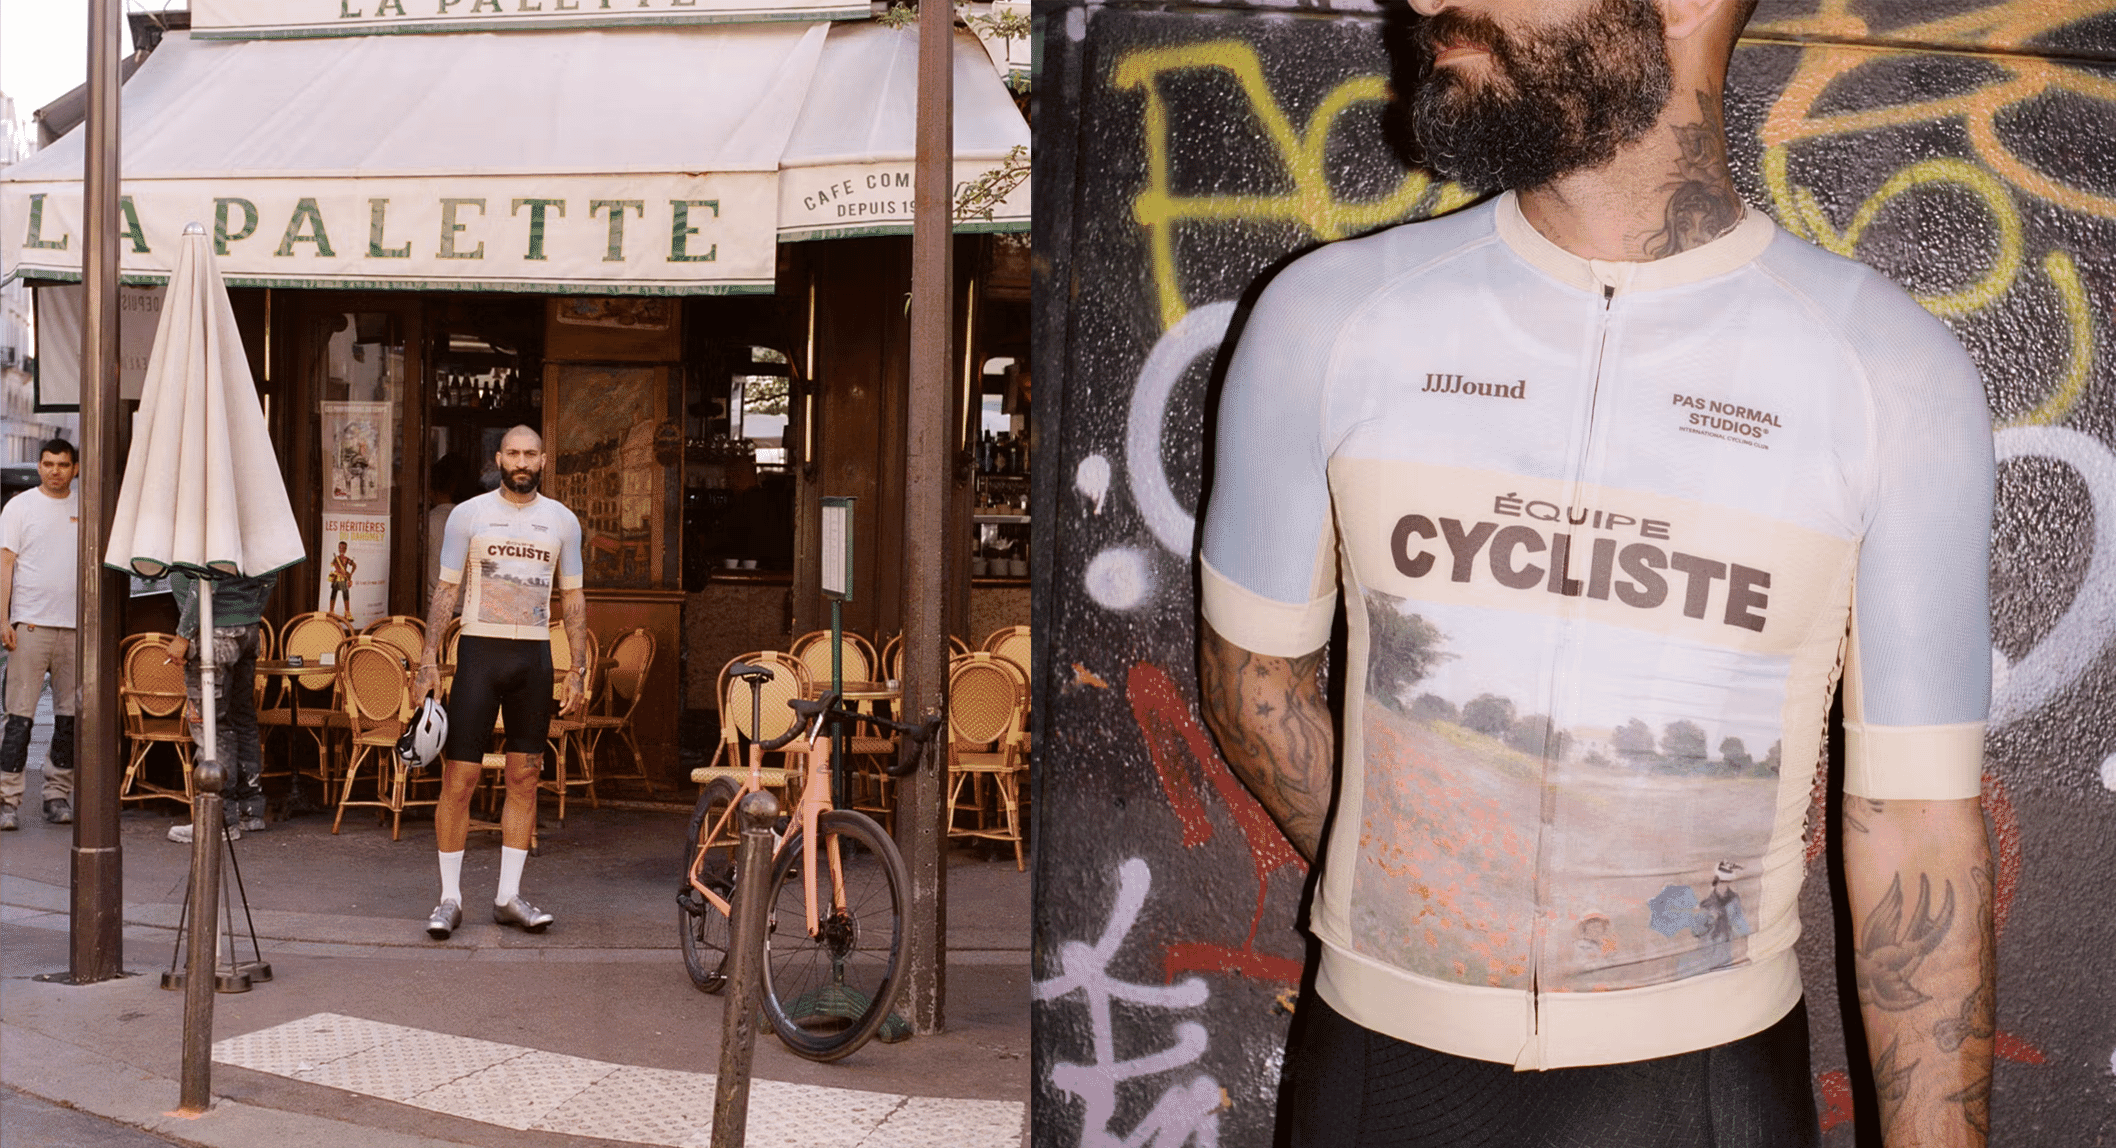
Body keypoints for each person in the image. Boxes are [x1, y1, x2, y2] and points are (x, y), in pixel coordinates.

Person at [1196, 2, 1996, 1145]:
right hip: (1374, 1078)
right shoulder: (1325, 321)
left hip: (1703, 1096)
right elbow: (1250, 674)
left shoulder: (1888, 376)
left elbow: (1917, 830)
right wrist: (1428, 889)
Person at [412, 425, 585, 938]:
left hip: (533, 657)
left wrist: (577, 668)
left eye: (531, 453)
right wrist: (427, 660)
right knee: (459, 779)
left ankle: (508, 896)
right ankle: (449, 898)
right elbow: (446, 591)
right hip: (479, 653)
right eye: (513, 452)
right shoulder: (469, 514)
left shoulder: (562, 521)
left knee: (524, 777)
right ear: (499, 458)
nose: (522, 461)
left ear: (544, 460)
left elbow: (572, 598)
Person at [164, 567, 279, 843]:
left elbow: (206, 578)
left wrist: (183, 635)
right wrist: (250, 612)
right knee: (242, 717)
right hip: (248, 629)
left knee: (211, 723)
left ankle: (220, 818)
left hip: (213, 631)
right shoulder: (243, 528)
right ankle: (250, 810)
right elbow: (271, 573)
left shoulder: (204, 526)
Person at [0, 439, 80, 830]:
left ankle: (56, 795)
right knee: (19, 717)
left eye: (63, 465)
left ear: (75, 469)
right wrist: (3, 619)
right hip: (30, 623)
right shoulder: (20, 507)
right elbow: (5, 563)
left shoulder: (86, 508)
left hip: (75, 627)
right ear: (39, 466)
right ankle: (7, 798)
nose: (55, 471)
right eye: (48, 464)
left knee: (69, 718)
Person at [327, 541, 357, 619]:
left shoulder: (347, 559)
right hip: (337, 578)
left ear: (346, 549)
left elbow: (354, 565)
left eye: (343, 548)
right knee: (333, 594)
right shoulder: (336, 559)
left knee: (346, 595)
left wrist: (350, 574)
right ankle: (331, 612)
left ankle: (347, 612)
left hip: (343, 579)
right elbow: (333, 566)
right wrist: (338, 570)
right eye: (340, 547)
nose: (342, 549)